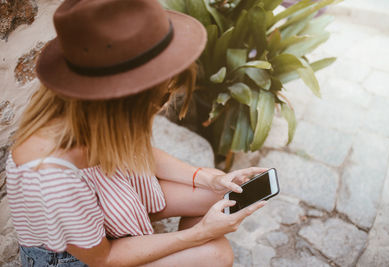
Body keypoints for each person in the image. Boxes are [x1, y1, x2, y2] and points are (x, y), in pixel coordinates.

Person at [6, 0, 268, 266]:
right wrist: (199, 235)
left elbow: (140, 152)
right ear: (121, 101)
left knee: (220, 193)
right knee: (217, 254)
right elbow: (104, 258)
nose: (166, 103)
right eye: (162, 94)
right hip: (84, 258)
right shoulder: (50, 175)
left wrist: (205, 178)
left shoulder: (91, 115)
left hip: (112, 202)